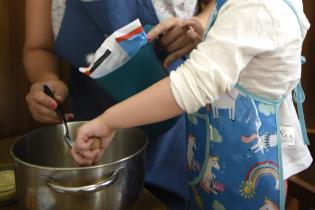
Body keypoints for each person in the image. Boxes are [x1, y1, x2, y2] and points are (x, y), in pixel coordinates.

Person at [71, 0, 313, 209]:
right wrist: (207, 36)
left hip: (246, 168)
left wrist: (108, 121)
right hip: (227, 163)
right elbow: (251, 58)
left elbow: (191, 86)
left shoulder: (257, 7)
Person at [23, 0, 214, 209]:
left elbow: (226, 6)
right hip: (93, 138)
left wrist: (200, 23)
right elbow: (38, 47)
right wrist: (46, 79)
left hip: (176, 129)